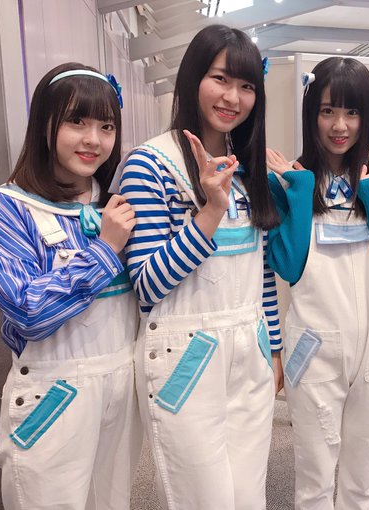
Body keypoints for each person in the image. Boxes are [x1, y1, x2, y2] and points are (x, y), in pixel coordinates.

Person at [117, 24, 281, 510]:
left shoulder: (247, 165)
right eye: (220, 79)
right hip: (186, 355)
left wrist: (272, 346)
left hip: (250, 348)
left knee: (248, 498)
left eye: (246, 86)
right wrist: (209, 213)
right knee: (203, 500)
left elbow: (262, 273)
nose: (233, 97)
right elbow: (147, 285)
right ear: (193, 79)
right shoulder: (150, 163)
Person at [0, 62, 140, 509]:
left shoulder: (118, 204)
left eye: (106, 126)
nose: (94, 140)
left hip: (121, 384)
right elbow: (29, 312)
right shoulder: (5, 207)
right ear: (44, 124)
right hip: (53, 392)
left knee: (112, 501)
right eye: (77, 122)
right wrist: (106, 250)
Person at [265, 56, 369, 510]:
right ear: (310, 113)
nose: (340, 125)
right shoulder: (289, 179)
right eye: (327, 110)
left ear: (366, 116)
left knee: (362, 479)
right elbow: (288, 266)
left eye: (352, 112)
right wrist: (300, 190)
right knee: (314, 480)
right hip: (314, 347)